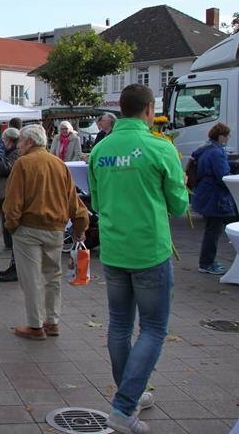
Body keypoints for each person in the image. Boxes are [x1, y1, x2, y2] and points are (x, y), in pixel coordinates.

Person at [89, 84, 188, 434]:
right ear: (149, 109)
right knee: (154, 328)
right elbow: (179, 205)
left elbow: (97, 204)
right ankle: (125, 403)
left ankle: (129, 393)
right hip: (150, 251)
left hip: (115, 251)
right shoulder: (160, 147)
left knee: (118, 325)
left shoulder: (100, 150)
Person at [2, 124, 89, 340]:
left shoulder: (23, 164)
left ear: (30, 142)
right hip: (55, 228)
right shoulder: (59, 164)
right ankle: (52, 321)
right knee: (53, 276)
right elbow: (74, 201)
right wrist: (79, 228)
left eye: (21, 141)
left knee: (31, 278)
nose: (18, 146)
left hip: (29, 228)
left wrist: (12, 225)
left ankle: (35, 325)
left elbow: (12, 202)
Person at [190, 123, 238, 275]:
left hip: (206, 194)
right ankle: (206, 263)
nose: (229, 138)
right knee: (214, 231)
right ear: (221, 136)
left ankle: (207, 262)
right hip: (214, 197)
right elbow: (222, 174)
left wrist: (233, 164)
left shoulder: (206, 148)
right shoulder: (217, 152)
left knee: (213, 229)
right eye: (227, 135)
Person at [0, 128, 21, 282]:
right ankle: (13, 266)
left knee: (15, 234)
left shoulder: (16, 154)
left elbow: (6, 169)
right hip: (6, 196)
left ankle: (16, 268)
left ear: (9, 140)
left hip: (11, 196)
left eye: (4, 140)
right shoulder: (12, 152)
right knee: (11, 233)